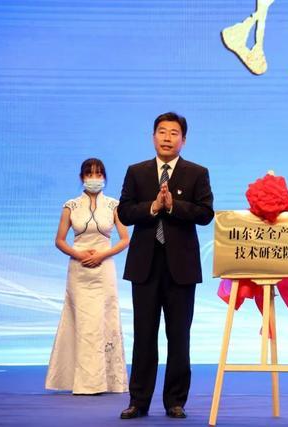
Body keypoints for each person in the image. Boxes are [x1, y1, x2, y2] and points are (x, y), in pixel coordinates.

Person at [117, 112, 214, 419]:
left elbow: (205, 213)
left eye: (174, 133)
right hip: (145, 266)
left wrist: (173, 206)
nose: (167, 138)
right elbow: (124, 212)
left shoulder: (197, 173)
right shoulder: (137, 172)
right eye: (162, 132)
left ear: (183, 140)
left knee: (179, 336)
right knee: (144, 336)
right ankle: (138, 401)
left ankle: (175, 401)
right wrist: (152, 207)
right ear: (153, 137)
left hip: (181, 268)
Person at [46, 158, 130, 394]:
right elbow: (59, 240)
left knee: (104, 320)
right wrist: (79, 254)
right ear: (82, 177)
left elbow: (125, 239)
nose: (94, 178)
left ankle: (108, 381)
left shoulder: (114, 205)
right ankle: (83, 381)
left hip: (104, 270)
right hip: (79, 270)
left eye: (99, 173)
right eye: (89, 174)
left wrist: (102, 254)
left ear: (104, 177)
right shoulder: (71, 206)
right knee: (83, 323)